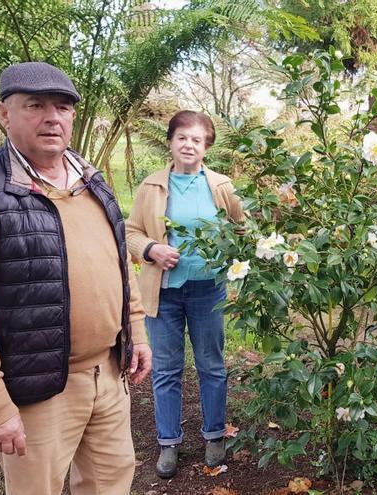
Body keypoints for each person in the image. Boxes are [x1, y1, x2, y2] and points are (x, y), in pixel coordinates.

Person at [0, 62, 152, 494]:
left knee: (111, 484)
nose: (52, 117)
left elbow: (119, 261)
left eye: (63, 107)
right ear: (4, 113)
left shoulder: (90, 179)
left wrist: (137, 332)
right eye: (35, 105)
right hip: (35, 390)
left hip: (107, 376)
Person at [125, 110, 244, 478]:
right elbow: (130, 232)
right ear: (171, 142)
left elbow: (242, 231)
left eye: (196, 139)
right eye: (181, 138)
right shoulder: (152, 186)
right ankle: (168, 443)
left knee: (211, 365)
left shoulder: (222, 187)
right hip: (164, 293)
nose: (188, 145)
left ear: (206, 146)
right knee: (166, 369)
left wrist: (230, 255)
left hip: (208, 290)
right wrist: (151, 250)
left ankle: (214, 436)